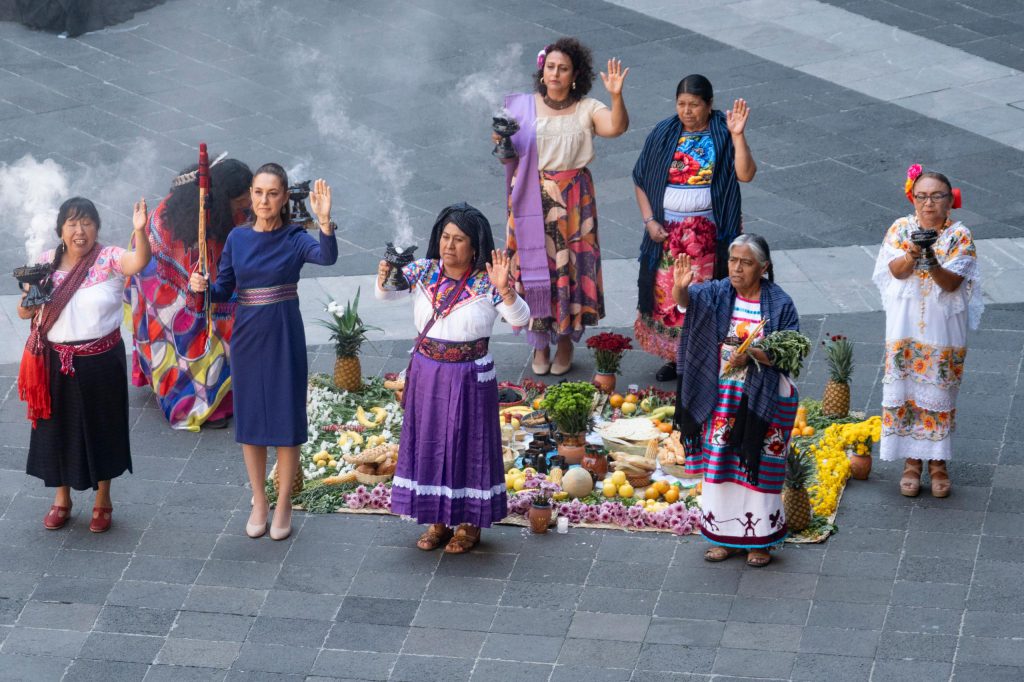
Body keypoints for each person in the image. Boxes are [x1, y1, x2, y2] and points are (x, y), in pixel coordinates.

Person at [190, 165, 337, 540]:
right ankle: (259, 499)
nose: (263, 200)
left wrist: (324, 222)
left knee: (286, 425)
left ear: (285, 197)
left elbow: (326, 257)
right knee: (252, 425)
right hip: (247, 338)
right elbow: (222, 291)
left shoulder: (294, 237)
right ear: (251, 195)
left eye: (272, 193)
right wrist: (199, 287)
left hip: (284, 335)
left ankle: (285, 501)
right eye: (258, 192)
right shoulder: (238, 239)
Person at [376, 203, 530, 554]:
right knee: (430, 441)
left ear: (474, 246)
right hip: (428, 373)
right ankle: (437, 521)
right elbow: (386, 294)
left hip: (470, 375)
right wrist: (386, 272)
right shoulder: (424, 271)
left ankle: (469, 525)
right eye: (445, 237)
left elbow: (522, 320)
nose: (449, 245)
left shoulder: (487, 281)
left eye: (458, 239)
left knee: (468, 445)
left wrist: (506, 290)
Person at [17, 196, 152, 532]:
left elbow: (138, 261)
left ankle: (103, 500)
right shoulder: (45, 263)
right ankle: (61, 499)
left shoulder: (108, 258)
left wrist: (141, 232)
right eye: (72, 223)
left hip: (100, 360)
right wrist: (30, 300)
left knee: (102, 428)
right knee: (55, 429)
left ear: (97, 227)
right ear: (61, 229)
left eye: (87, 222)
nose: (80, 230)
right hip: (53, 359)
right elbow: (25, 311)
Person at [499, 37, 629, 376]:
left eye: (563, 68)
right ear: (543, 71)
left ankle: (566, 342)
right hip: (530, 197)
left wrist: (616, 95)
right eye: (551, 67)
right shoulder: (521, 107)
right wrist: (500, 138)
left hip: (574, 200)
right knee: (531, 268)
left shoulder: (588, 107)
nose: (555, 73)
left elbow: (616, 128)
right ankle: (539, 344)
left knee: (570, 268)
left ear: (575, 75)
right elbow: (504, 152)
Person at [673, 234, 799, 567]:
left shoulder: (780, 303)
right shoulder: (716, 293)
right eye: (732, 260)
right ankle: (723, 537)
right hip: (721, 396)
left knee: (759, 469)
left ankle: (760, 542)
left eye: (745, 262)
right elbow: (686, 302)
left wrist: (755, 354)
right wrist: (681, 288)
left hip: (762, 400)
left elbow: (792, 352)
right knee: (721, 467)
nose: (736, 268)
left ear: (764, 267)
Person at [633, 74, 756, 383]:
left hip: (710, 234)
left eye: (694, 105)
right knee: (671, 294)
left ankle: (704, 356)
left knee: (705, 296)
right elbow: (640, 178)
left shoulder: (723, 133)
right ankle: (677, 358)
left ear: (709, 105)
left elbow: (746, 174)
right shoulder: (663, 132)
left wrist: (738, 135)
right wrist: (649, 221)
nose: (686, 111)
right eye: (681, 104)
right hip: (668, 234)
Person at [873, 165, 981, 498]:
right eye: (922, 196)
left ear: (951, 201)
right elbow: (895, 271)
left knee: (939, 393)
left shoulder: (960, 236)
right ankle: (911, 462)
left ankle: (938, 464)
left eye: (936, 196)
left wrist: (931, 258)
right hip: (905, 327)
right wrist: (914, 251)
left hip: (942, 329)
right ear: (912, 199)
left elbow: (951, 283)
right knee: (905, 389)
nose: (928, 203)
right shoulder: (900, 229)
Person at [127, 158, 252, 431]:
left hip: (195, 283)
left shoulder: (226, 215)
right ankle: (198, 396)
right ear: (222, 198)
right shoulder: (181, 223)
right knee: (209, 328)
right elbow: (196, 277)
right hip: (161, 283)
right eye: (242, 199)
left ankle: (226, 391)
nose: (249, 204)